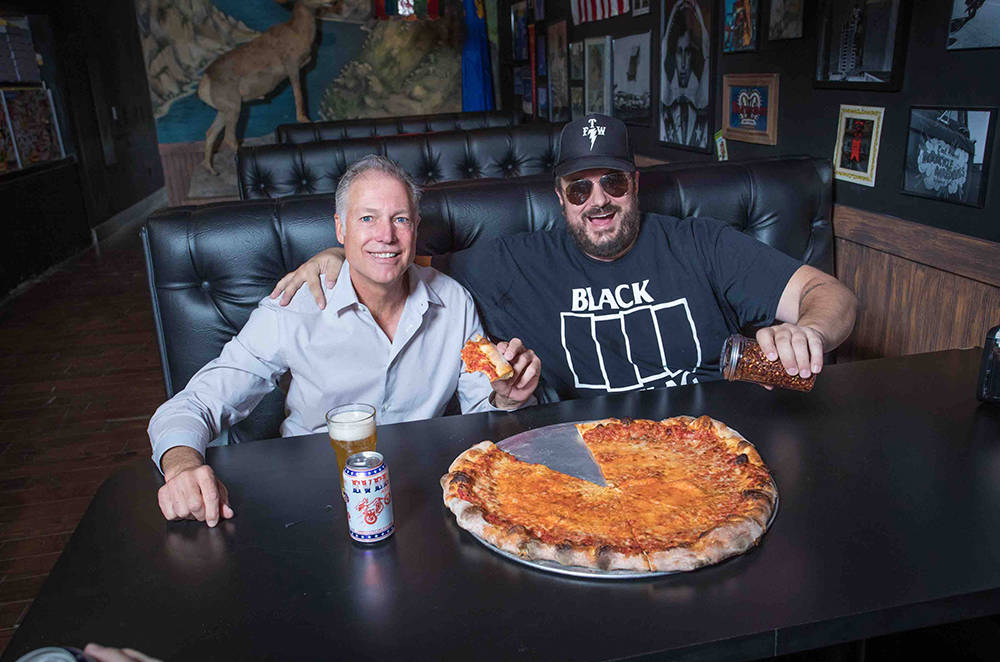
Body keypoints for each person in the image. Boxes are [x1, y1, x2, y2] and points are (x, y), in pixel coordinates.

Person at [272, 115, 856, 403]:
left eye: (613, 184)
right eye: (580, 189)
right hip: (585, 469)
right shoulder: (510, 263)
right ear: (560, 199)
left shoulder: (699, 242)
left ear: (635, 185)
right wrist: (335, 253)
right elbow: (397, 258)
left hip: (713, 447)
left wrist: (810, 333)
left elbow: (832, 297)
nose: (598, 201)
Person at [149, 155, 541, 527]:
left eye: (400, 219)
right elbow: (198, 401)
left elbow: (482, 409)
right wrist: (182, 466)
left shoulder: (453, 301)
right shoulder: (294, 306)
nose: (385, 236)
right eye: (367, 218)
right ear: (341, 228)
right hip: (314, 498)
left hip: (427, 495)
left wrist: (505, 397)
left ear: (416, 227)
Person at [661, 0, 710, 148]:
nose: (682, 63)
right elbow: (662, 50)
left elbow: (708, 53)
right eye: (678, 52)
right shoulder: (669, 92)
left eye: (687, 52)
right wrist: (674, 10)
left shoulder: (699, 92)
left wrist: (698, 15)